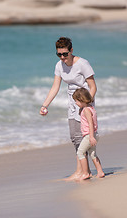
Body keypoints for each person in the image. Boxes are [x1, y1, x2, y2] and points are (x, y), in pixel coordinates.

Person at [40, 37, 97, 180]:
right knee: (74, 137)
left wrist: (86, 105)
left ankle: (83, 171)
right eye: (59, 54)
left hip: (85, 103)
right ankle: (83, 171)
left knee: (82, 137)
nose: (63, 57)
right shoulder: (59, 66)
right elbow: (55, 87)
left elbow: (93, 87)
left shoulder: (83, 64)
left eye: (65, 54)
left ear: (71, 51)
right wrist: (44, 105)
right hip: (72, 103)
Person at [73, 88, 105, 180]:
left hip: (89, 135)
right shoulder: (91, 108)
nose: (75, 103)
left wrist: (90, 137)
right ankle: (100, 172)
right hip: (95, 134)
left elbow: (90, 123)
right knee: (93, 154)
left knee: (80, 152)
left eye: (76, 101)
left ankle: (85, 173)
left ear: (82, 99)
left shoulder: (86, 110)